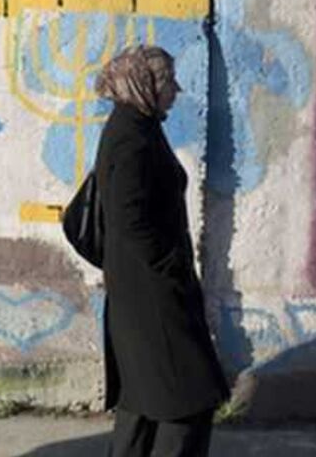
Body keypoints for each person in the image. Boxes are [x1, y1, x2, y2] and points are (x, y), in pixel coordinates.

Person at [94, 45, 229, 457]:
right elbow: (128, 219)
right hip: (153, 295)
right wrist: (169, 269)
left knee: (143, 401)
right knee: (187, 401)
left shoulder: (135, 126)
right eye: (168, 81)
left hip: (140, 292)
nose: (177, 89)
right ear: (145, 84)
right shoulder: (132, 138)